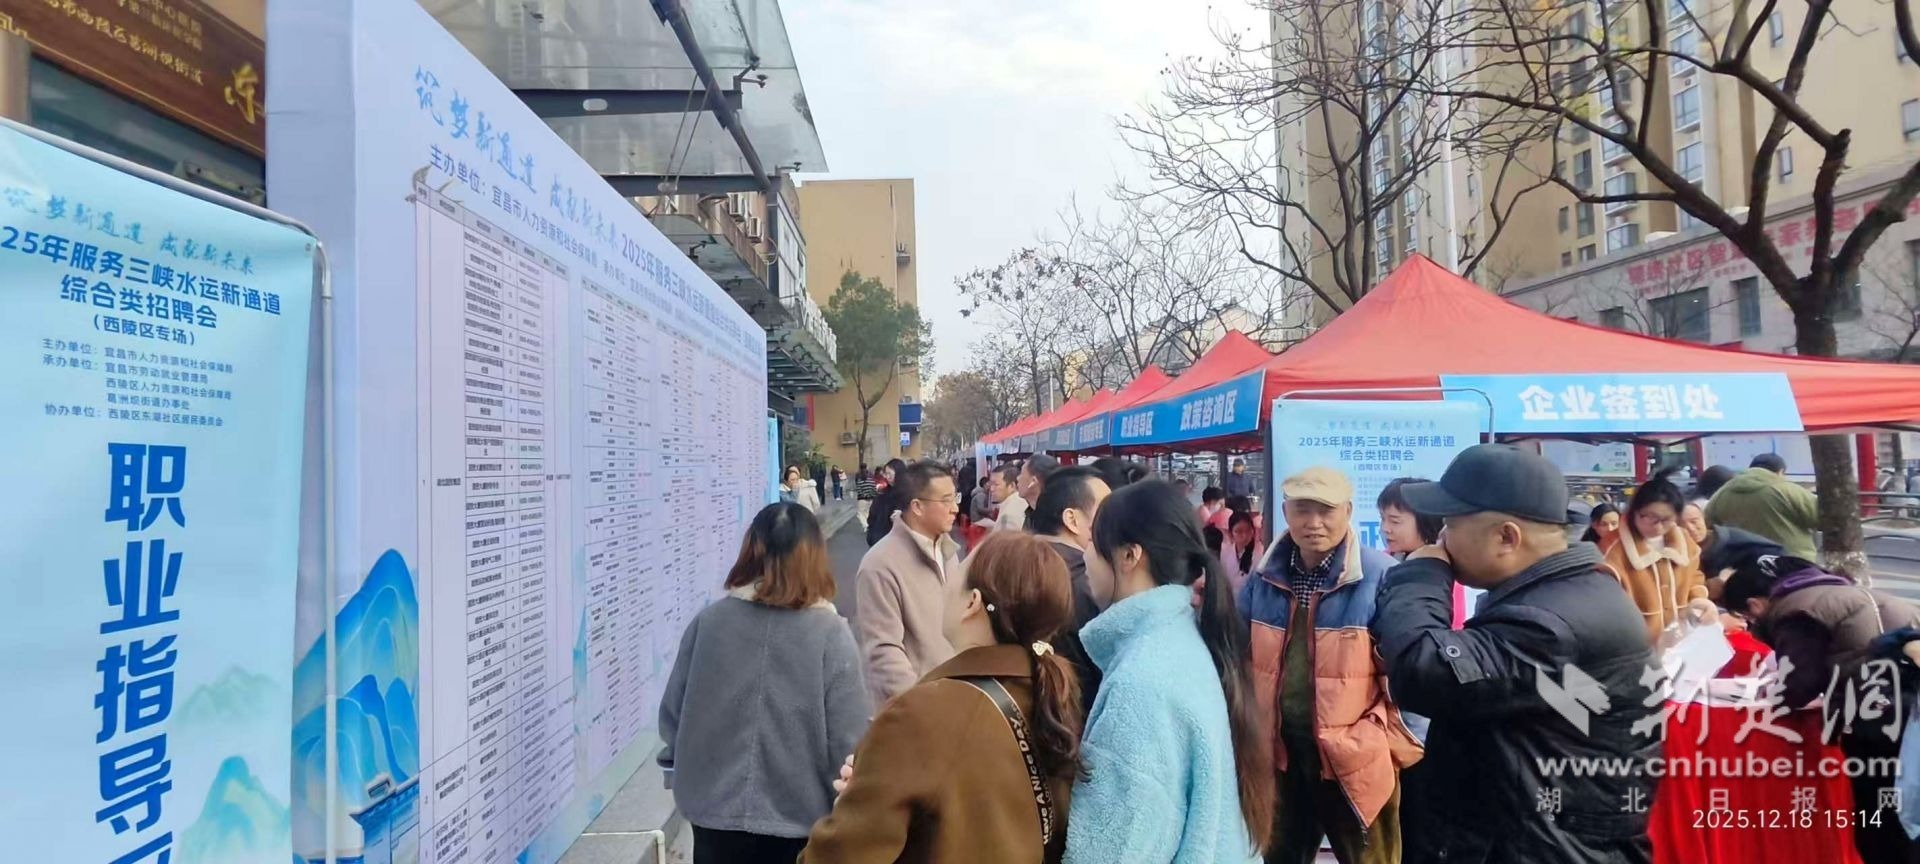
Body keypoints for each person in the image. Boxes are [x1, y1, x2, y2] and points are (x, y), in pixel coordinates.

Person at [1373, 443, 1659, 864]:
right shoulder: (1562, 593)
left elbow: (1424, 673)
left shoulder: (1551, 622)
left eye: (1451, 524)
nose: (1443, 539)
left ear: (1507, 537)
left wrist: (1422, 573)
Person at [803, 532, 1085, 864]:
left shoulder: (923, 713)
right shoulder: (1052, 695)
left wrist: (854, 805)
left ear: (972, 603)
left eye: (957, 573)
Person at [1067, 480, 1274, 862]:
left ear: (1129, 556)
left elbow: (1118, 848)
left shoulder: (1140, 682)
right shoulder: (1181, 638)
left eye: (1094, 545)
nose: (1086, 557)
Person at [659, 503, 871, 864]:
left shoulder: (709, 623)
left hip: (712, 812)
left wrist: (679, 768)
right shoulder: (830, 634)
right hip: (800, 817)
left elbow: (673, 714)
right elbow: (848, 735)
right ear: (814, 556)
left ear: (750, 550)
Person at [1238, 466, 1417, 864]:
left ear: (1348, 511)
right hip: (1280, 757)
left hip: (1356, 760)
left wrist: (1389, 744)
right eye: (1303, 510)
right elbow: (1234, 655)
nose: (1313, 522)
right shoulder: (1264, 578)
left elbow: (1410, 671)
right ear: (1286, 512)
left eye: (1326, 510)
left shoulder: (1380, 576)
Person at [1722, 546, 1920, 864]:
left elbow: (1800, 684)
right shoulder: (1862, 595)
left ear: (1754, 605)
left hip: (1875, 723)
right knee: (1907, 810)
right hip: (1910, 716)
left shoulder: (1797, 611)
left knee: (1880, 819)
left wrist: (1763, 696)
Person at [855, 461, 962, 705]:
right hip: (917, 710)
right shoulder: (879, 565)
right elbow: (884, 652)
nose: (955, 508)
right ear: (917, 507)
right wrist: (921, 706)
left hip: (955, 698)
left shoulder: (948, 552)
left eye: (954, 497)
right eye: (946, 500)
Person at [1027, 466, 1113, 715]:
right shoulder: (1090, 583)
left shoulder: (1008, 569)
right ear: (1072, 520)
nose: (1115, 519)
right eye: (1105, 510)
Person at [1603, 468, 1713, 643]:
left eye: (1666, 519)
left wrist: (1699, 600)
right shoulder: (1612, 550)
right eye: (1649, 517)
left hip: (1679, 640)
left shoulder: (1684, 542)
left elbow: (1694, 578)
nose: (1658, 527)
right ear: (1634, 512)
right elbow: (1605, 602)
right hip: (1635, 644)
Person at [1705, 453, 1821, 561]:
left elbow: (1707, 525)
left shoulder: (1722, 493)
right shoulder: (1787, 489)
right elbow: (1821, 517)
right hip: (1792, 562)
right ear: (1780, 471)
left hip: (1744, 562)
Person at [1378, 477, 1443, 558]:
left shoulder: (1440, 562)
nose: (1385, 528)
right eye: (1383, 518)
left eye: (1395, 521)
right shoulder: (1381, 560)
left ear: (1426, 523)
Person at [1218, 510, 1266, 597]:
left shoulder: (1261, 553)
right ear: (1230, 534)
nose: (1244, 536)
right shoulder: (1225, 553)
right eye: (1239, 531)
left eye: (1248, 531)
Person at [866, 459, 909, 547]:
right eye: (886, 474)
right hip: (878, 542)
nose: (887, 477)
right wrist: (871, 535)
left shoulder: (909, 494)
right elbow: (872, 517)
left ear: (899, 473)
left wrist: (903, 514)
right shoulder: (882, 494)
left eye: (889, 474)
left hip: (899, 545)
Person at [988, 463, 1029, 532]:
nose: (991, 489)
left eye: (996, 484)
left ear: (1011, 486)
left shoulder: (1010, 514)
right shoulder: (1019, 502)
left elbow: (1009, 538)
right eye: (990, 484)